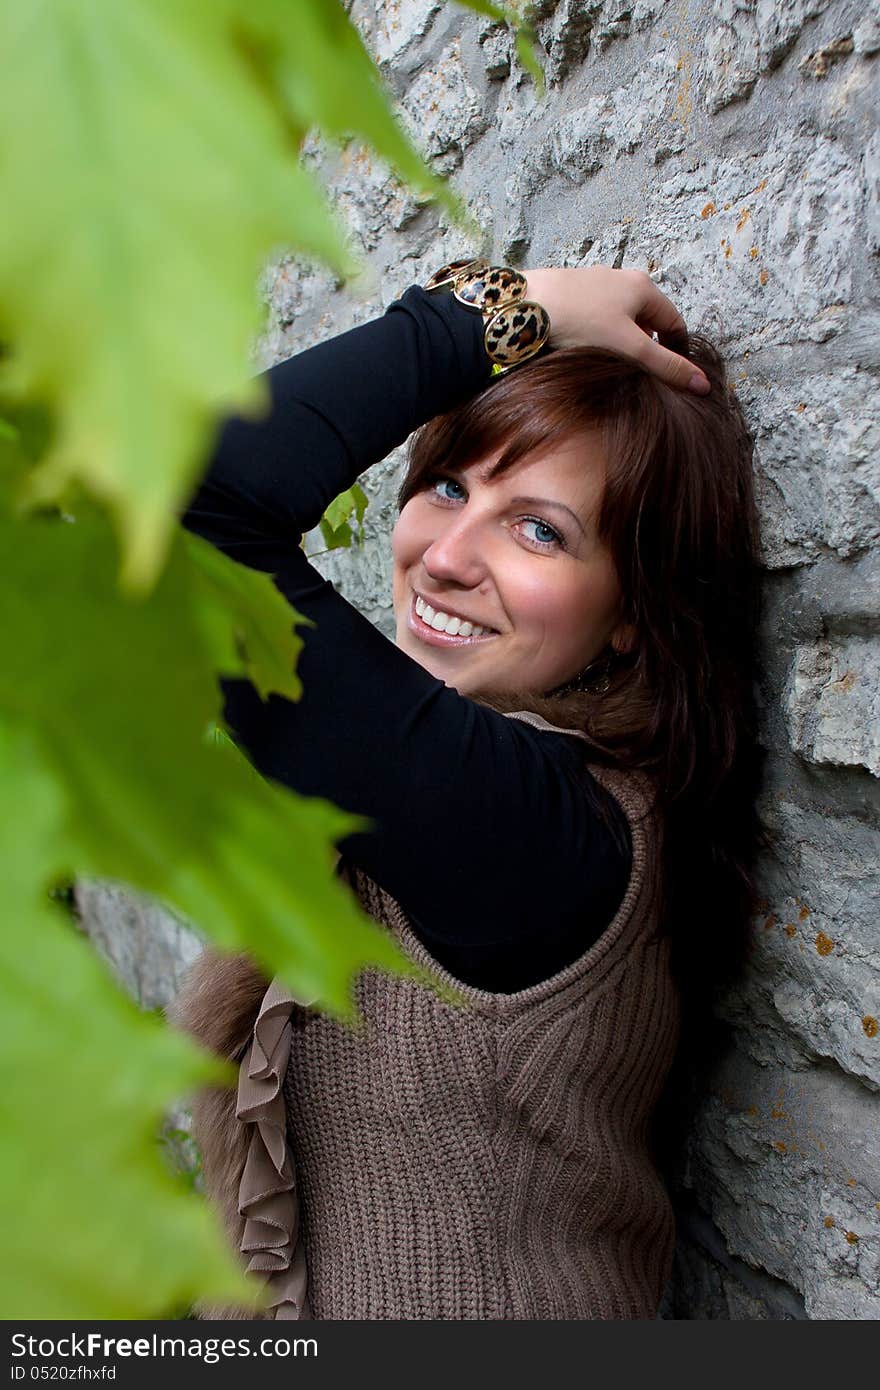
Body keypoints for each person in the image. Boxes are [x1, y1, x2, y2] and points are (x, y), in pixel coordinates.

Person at [170, 262, 763, 1321]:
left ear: (633, 611)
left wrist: (492, 311)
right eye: (448, 485)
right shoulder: (472, 790)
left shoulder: (541, 836)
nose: (443, 556)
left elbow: (196, 519)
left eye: (538, 529)